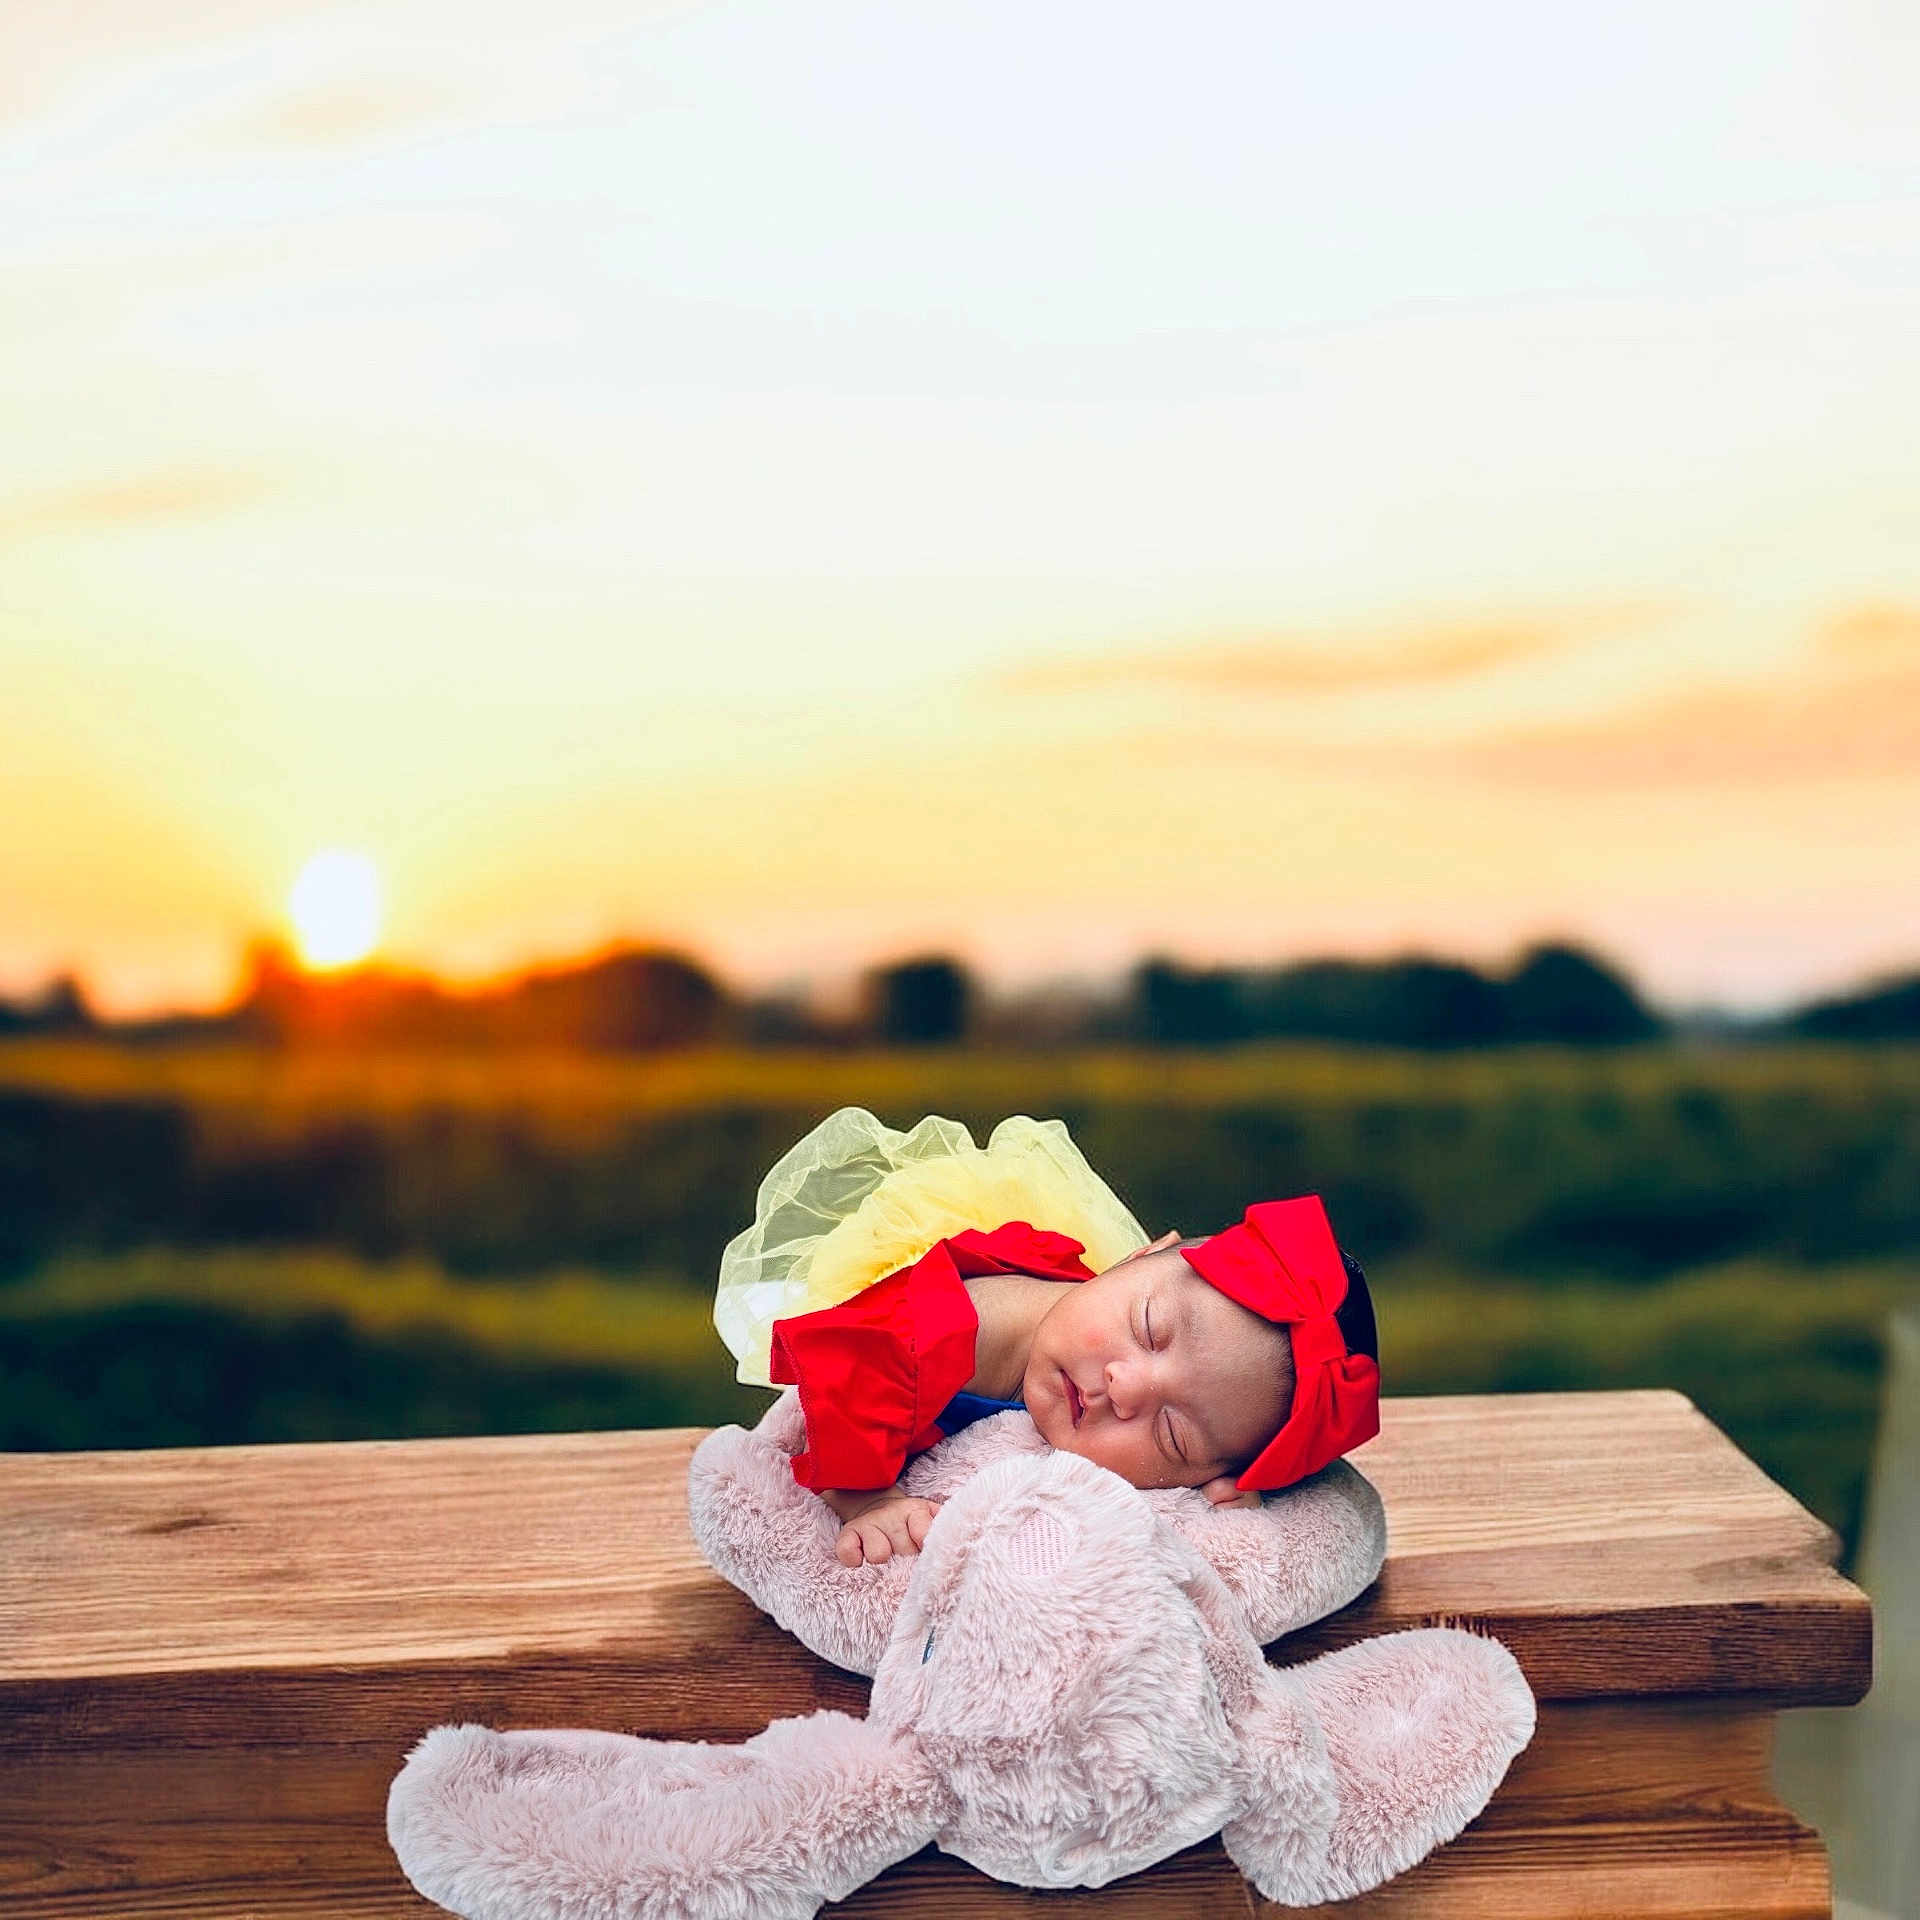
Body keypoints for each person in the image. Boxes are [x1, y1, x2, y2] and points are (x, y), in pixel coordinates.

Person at [713, 1108, 1380, 1567]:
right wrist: (868, 1498)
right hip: (887, 1309)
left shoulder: (1165, 1394)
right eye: (1149, 1329)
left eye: (1174, 1435)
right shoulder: (959, 1324)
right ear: (1143, 1254)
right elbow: (847, 1365)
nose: (1125, 1386)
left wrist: (1228, 1488)